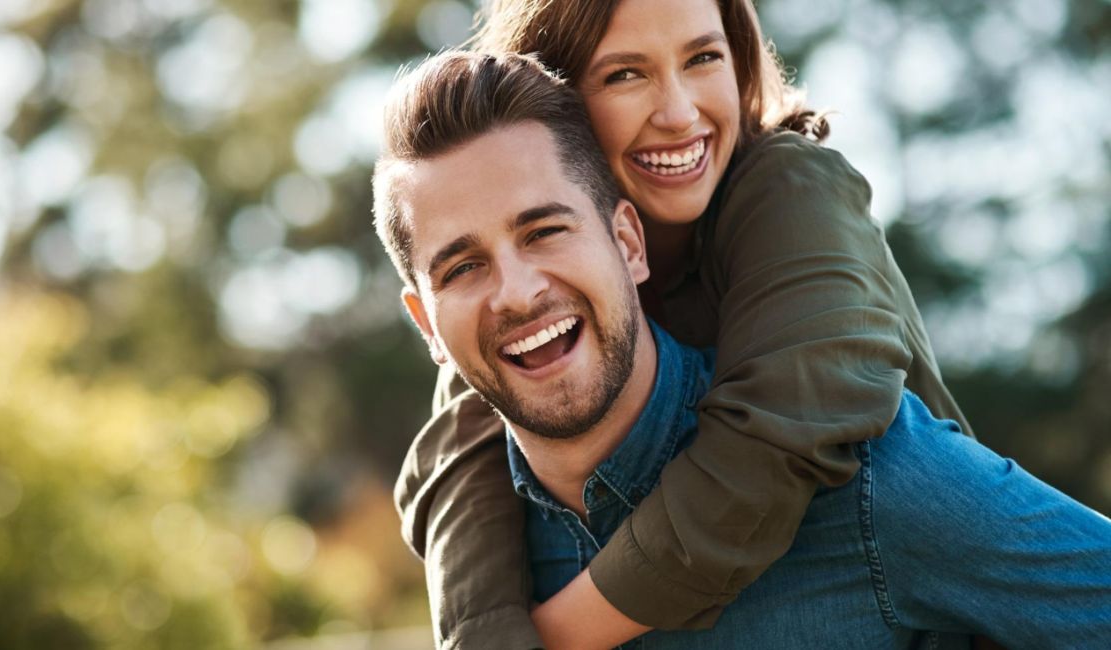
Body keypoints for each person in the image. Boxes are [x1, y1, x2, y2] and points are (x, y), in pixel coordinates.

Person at [373, 49, 1111, 649]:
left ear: (629, 243)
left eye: (545, 231)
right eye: (463, 268)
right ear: (427, 325)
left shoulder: (872, 488)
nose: (516, 292)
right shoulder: (487, 563)